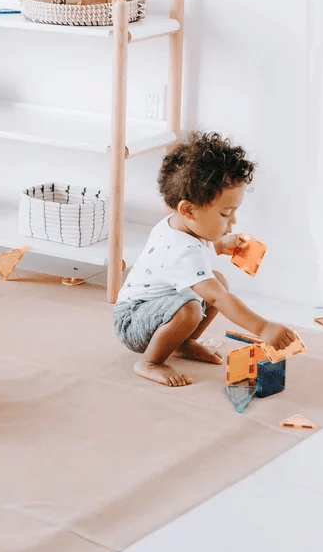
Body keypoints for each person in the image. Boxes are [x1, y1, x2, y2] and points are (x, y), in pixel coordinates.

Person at [114, 131, 297, 387]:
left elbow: (194, 250)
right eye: (225, 214)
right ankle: (149, 362)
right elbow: (217, 297)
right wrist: (263, 328)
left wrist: (220, 245)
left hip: (152, 309)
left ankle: (183, 343)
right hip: (133, 321)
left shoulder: (179, 226)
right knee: (196, 304)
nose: (233, 221)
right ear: (188, 210)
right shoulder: (182, 250)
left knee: (216, 280)